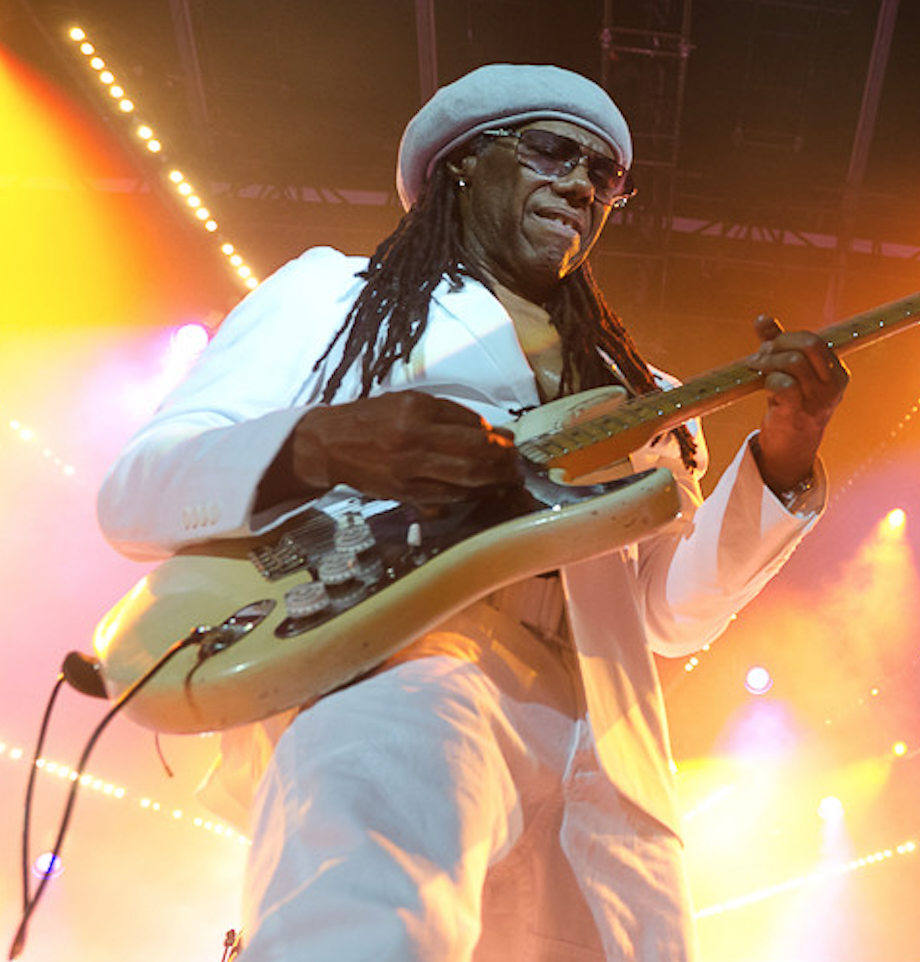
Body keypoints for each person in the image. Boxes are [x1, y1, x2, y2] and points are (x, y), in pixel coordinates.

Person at [96, 64, 849, 961]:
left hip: (605, 748)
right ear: (460, 163)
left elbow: (664, 615)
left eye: (605, 176)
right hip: (405, 662)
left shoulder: (640, 393)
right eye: (551, 151)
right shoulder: (337, 297)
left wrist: (785, 458)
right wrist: (330, 443)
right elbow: (137, 489)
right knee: (369, 933)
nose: (581, 184)